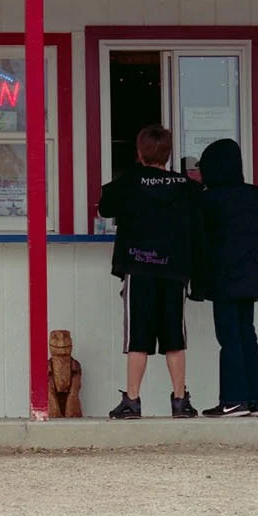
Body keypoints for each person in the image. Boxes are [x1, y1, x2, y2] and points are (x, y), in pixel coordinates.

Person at [97, 122, 199, 418]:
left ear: (139, 152)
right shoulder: (187, 188)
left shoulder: (128, 182)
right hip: (175, 270)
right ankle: (180, 401)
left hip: (138, 267)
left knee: (137, 338)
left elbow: (104, 208)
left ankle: (132, 400)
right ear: (167, 154)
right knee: (174, 337)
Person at [193, 136, 258, 417]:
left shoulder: (207, 200)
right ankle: (255, 400)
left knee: (229, 337)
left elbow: (193, 237)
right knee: (247, 334)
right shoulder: (257, 195)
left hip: (222, 277)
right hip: (252, 276)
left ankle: (233, 399)